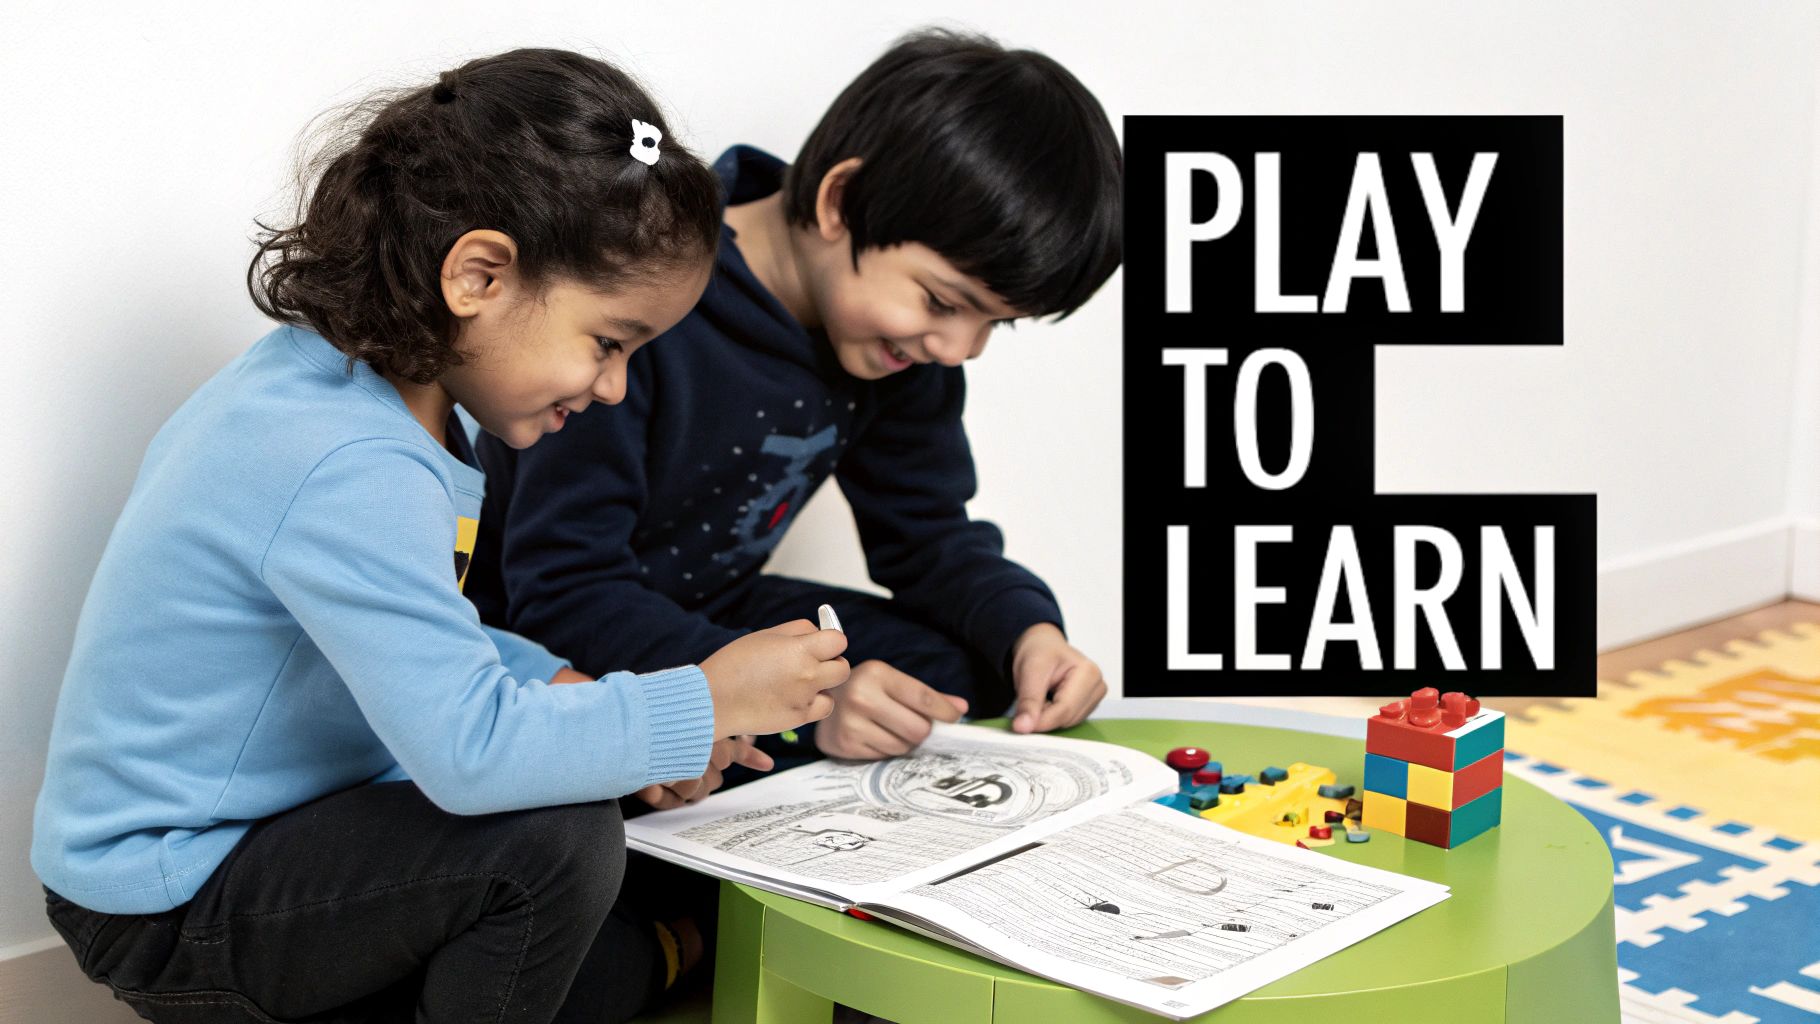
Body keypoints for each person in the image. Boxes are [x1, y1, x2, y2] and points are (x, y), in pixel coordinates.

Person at [30, 48, 847, 1024]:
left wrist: (567, 685)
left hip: (268, 845)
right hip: (174, 901)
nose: (615, 386)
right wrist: (700, 696)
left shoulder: (383, 408)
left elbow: (423, 634)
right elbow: (467, 750)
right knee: (556, 838)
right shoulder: (345, 459)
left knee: (582, 928)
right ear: (479, 274)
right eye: (608, 341)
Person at [462, 29, 1122, 997]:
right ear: (840, 201)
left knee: (961, 665)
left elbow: (930, 536)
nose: (962, 347)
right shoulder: (649, 295)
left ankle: (796, 865)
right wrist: (812, 702)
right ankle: (680, 928)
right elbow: (560, 588)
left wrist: (1031, 631)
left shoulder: (903, 351)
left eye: (996, 322)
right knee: (599, 853)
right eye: (946, 301)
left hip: (718, 613)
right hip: (564, 637)